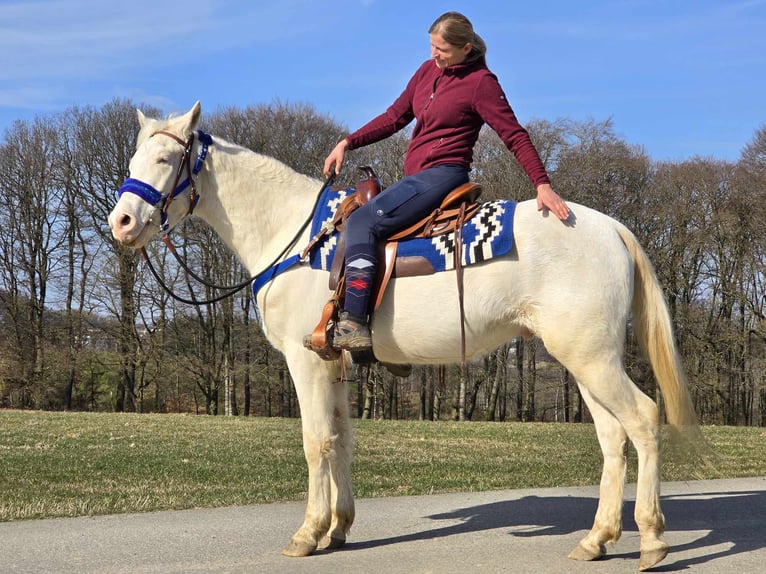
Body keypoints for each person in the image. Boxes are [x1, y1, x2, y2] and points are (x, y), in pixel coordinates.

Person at [324, 11, 570, 352]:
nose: (433, 55)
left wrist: (541, 184)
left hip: (444, 174)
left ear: (466, 48)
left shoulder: (482, 83)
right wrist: (348, 142)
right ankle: (393, 335)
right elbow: (394, 117)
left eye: (441, 49)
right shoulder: (426, 72)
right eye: (431, 46)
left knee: (364, 220)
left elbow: (513, 134)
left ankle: (354, 322)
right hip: (416, 177)